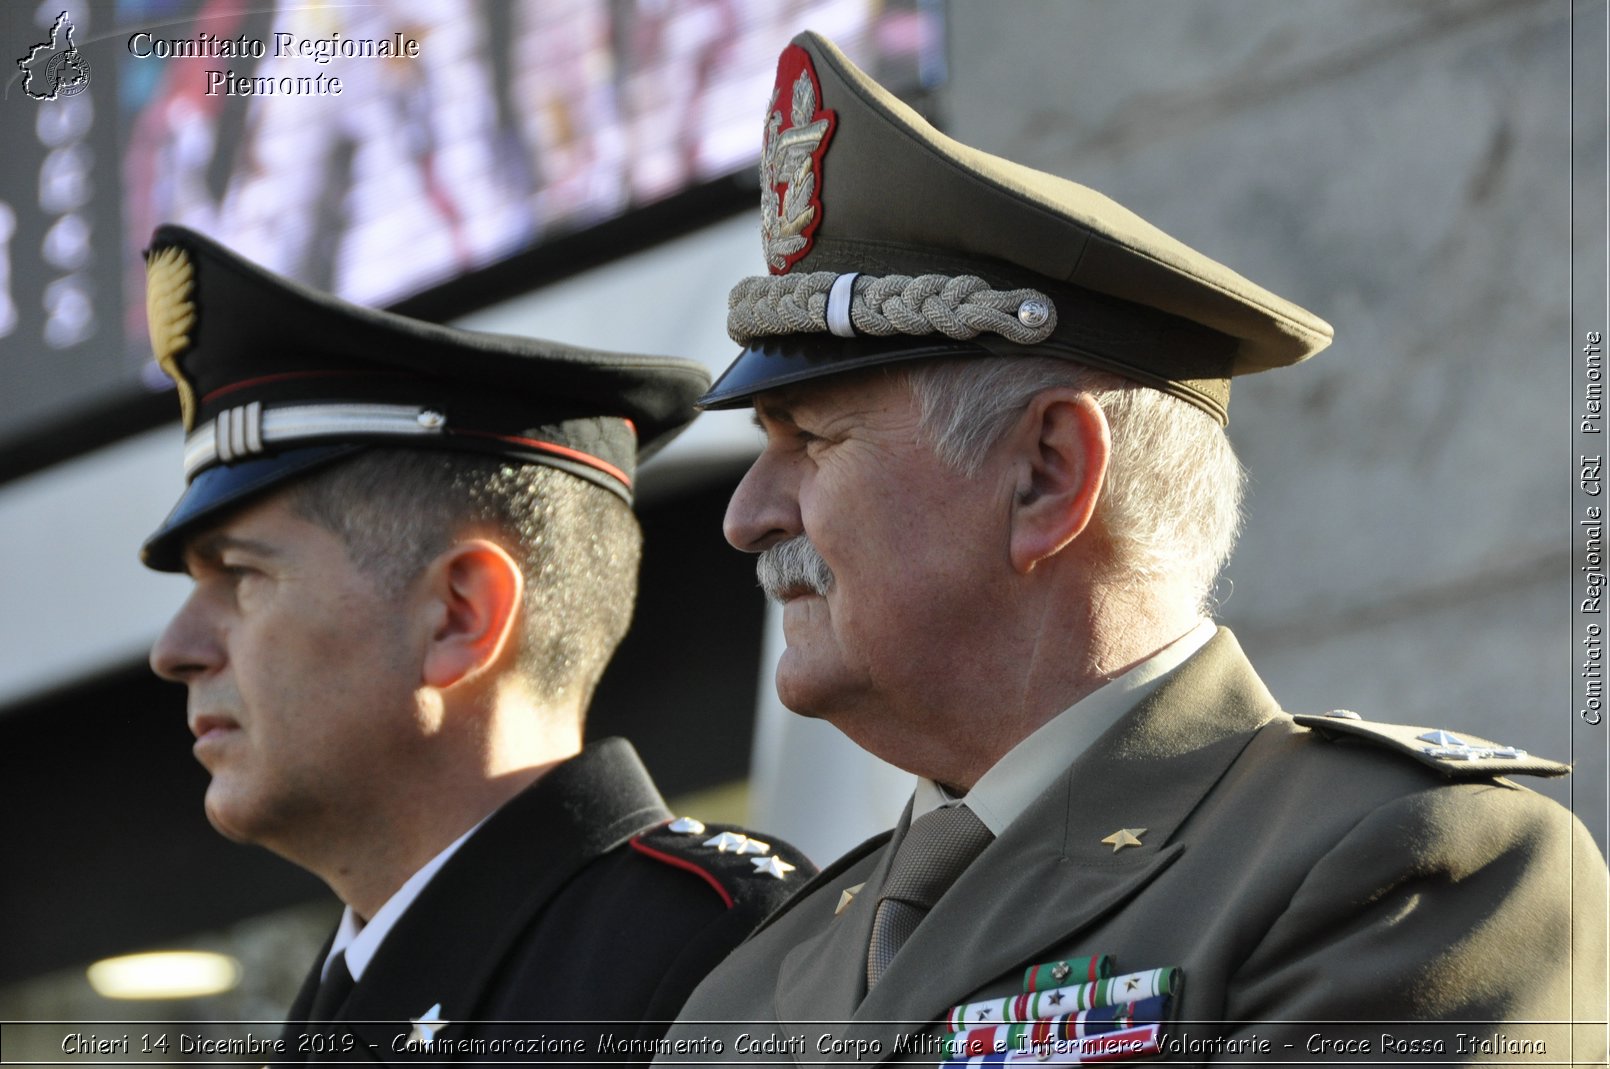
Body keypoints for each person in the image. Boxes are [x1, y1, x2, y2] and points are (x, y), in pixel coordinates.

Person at [655, 32, 1608, 1065]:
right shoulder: (754, 978)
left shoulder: (1408, 872)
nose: (746, 514)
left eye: (811, 441)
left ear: (1046, 474)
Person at [139, 225, 812, 1063]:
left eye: (241, 577)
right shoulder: (343, 1003)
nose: (177, 647)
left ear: (461, 613)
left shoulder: (720, 955)